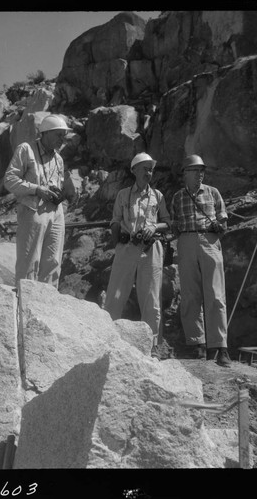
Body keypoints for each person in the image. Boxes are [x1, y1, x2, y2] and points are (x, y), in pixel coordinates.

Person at [104, 152, 171, 359]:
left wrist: (153, 227)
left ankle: (152, 347)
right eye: (145, 169)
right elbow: (115, 220)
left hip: (151, 250)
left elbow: (168, 223)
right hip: (126, 248)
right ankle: (106, 340)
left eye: (151, 169)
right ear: (134, 170)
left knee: (151, 300)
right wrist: (119, 240)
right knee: (115, 296)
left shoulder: (158, 196)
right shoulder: (123, 195)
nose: (149, 173)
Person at [170, 154, 231, 367]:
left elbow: (223, 220)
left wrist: (219, 226)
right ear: (185, 173)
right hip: (186, 241)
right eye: (195, 170)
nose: (199, 174)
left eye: (201, 171)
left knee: (215, 294)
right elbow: (174, 224)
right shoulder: (177, 197)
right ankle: (197, 345)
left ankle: (220, 346)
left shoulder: (213, 192)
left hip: (210, 240)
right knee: (190, 294)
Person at [4, 114, 72, 289]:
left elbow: (56, 183)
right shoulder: (26, 149)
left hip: (56, 212)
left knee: (53, 261)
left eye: (64, 135)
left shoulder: (59, 159)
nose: (62, 140)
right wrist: (36, 189)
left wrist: (60, 193)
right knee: (29, 261)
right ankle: (24, 306)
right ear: (46, 132)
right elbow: (10, 180)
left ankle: (46, 306)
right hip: (32, 210)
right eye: (59, 135)